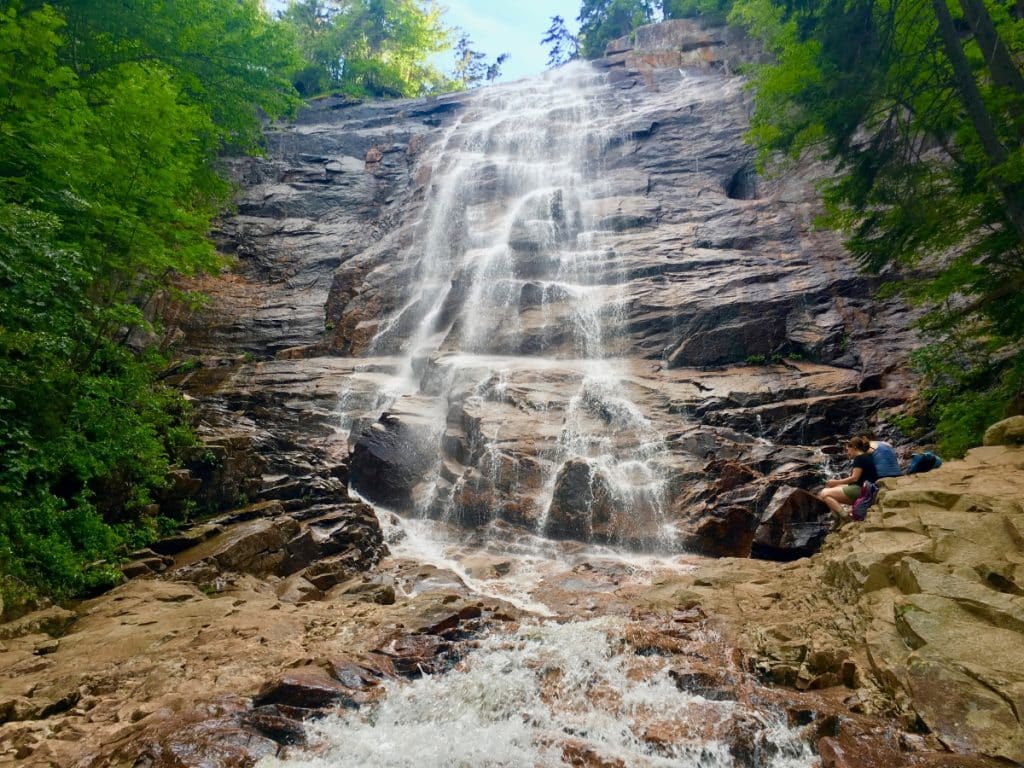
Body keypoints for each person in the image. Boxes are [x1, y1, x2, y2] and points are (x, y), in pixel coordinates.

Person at [818, 436, 878, 518]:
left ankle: (844, 517)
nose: (847, 453)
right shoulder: (867, 456)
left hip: (861, 490)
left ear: (854, 447)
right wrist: (834, 483)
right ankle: (836, 516)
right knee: (829, 488)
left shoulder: (859, 459)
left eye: (848, 450)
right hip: (867, 488)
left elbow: (854, 478)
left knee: (824, 494)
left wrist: (836, 481)